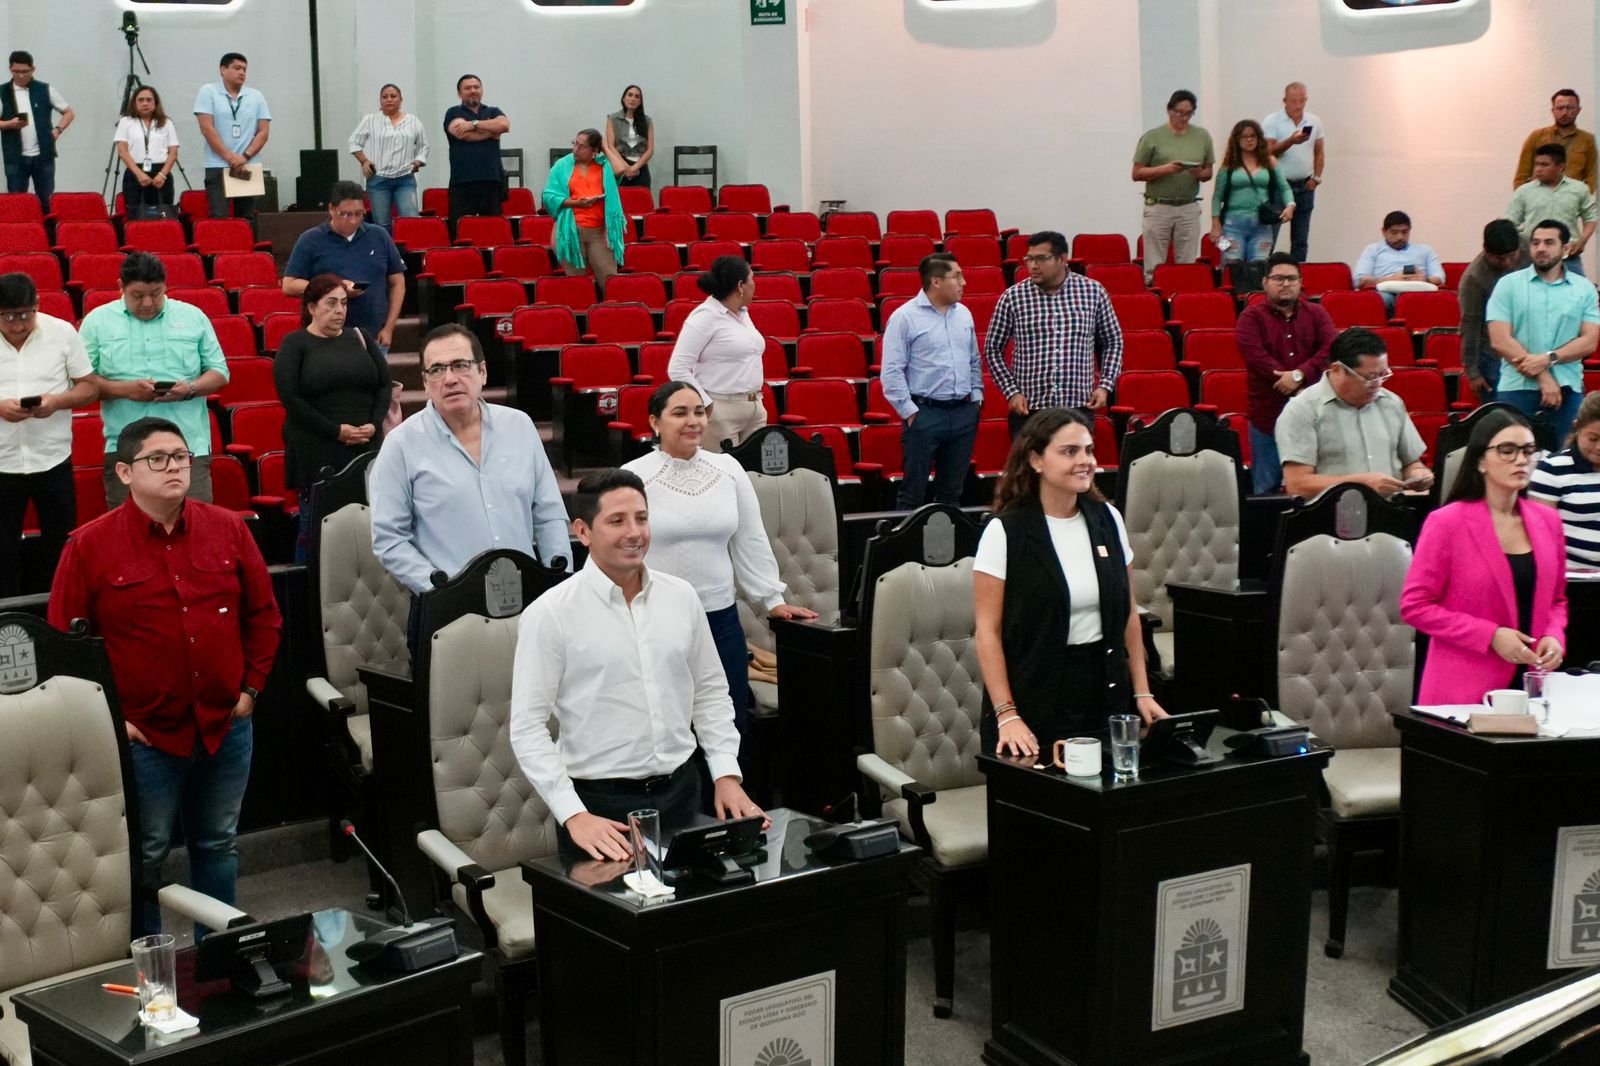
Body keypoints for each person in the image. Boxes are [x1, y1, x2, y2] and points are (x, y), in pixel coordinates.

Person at [49, 416, 281, 933]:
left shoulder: (228, 527)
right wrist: (111, 721)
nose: (174, 466)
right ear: (125, 472)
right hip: (143, 736)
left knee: (218, 845)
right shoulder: (88, 545)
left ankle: (219, 964)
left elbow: (264, 616)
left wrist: (251, 690)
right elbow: (64, 648)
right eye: (158, 459)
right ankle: (150, 980)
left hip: (226, 725)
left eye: (181, 456)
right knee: (146, 857)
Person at [508, 468, 766, 862]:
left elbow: (711, 694)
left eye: (642, 518)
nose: (635, 532)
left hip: (682, 794)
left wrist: (726, 775)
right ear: (583, 531)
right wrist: (573, 814)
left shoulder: (681, 597)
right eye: (617, 521)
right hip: (599, 809)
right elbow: (527, 728)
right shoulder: (550, 614)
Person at [972, 407, 1168, 760]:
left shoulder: (1108, 518)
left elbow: (1127, 614)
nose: (1086, 461)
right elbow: (988, 631)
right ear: (1035, 460)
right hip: (1034, 697)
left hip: (1104, 689)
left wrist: (1141, 692)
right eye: (1070, 452)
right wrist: (1006, 714)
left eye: (1089, 450)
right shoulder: (1005, 531)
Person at [622, 381, 817, 732]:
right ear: (654, 422)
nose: (693, 421)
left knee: (728, 722)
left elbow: (750, 540)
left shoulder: (728, 469)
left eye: (699, 412)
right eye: (680, 413)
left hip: (721, 620)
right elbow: (621, 553)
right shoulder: (634, 477)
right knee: (669, 725)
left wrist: (772, 599)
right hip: (655, 620)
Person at [369, 323, 570, 622]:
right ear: (424, 382)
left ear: (483, 372)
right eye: (436, 370)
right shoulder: (401, 445)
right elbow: (388, 539)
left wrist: (561, 587)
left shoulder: (520, 426)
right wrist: (441, 589)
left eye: (461, 365)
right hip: (449, 613)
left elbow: (549, 515)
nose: (449, 379)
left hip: (529, 604)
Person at [1400, 408, 1568, 704]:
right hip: (1463, 690)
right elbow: (1415, 606)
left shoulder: (1548, 521)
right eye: (1507, 450)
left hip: (1534, 687)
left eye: (1529, 451)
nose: (1521, 460)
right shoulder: (1447, 522)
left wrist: (1555, 636)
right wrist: (1490, 635)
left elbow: (1556, 600)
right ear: (1480, 461)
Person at [80, 252, 228, 507]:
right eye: (138, 296)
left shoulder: (193, 317)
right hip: (126, 448)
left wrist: (190, 388)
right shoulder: (97, 321)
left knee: (195, 530)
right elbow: (81, 382)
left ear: (165, 286)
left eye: (156, 293)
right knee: (129, 535)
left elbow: (219, 373)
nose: (148, 303)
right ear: (121, 287)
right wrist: (125, 390)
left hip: (187, 446)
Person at [273, 275, 389, 560]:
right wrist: (336, 431)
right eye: (331, 303)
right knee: (316, 530)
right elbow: (292, 399)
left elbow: (384, 384)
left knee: (371, 527)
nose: (340, 310)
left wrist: (373, 424)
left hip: (365, 445)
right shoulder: (295, 344)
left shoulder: (360, 337)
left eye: (344, 303)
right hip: (317, 449)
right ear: (311, 307)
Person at [0, 272, 96, 597]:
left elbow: (89, 387)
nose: (16, 325)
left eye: (25, 315)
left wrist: (56, 401)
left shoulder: (61, 332)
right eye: (7, 316)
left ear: (37, 305)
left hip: (53, 459)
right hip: (2, 463)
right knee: (3, 554)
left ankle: (61, 621)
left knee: (61, 548)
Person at [984, 231, 1123, 437]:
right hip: (1029, 410)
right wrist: (1011, 392)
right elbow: (992, 349)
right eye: (1029, 259)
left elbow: (1113, 341)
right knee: (1030, 468)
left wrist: (1105, 386)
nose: (1032, 265)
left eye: (1041, 259)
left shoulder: (1093, 292)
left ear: (1063, 260)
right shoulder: (1013, 297)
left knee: (1074, 467)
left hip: (1077, 407)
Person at [1275, 326, 1433, 500]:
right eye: (1370, 377)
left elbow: (1410, 462)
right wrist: (1361, 484)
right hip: (1329, 518)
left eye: (1383, 375)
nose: (1378, 384)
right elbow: (1297, 485)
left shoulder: (1391, 403)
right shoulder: (1303, 410)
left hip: (1390, 513)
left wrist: (1418, 473)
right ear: (1337, 370)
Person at [879, 252, 982, 507]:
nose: (963, 282)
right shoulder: (905, 317)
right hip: (925, 413)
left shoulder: (964, 314)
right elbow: (892, 371)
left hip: (962, 413)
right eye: (956, 276)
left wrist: (976, 400)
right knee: (913, 494)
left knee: (952, 493)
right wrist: (910, 412)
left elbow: (974, 360)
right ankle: (910, 547)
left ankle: (950, 547)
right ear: (936, 281)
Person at [1486, 218, 1599, 450]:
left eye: (1549, 242)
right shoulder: (1508, 285)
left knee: (1565, 464)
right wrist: (1543, 376)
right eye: (1535, 243)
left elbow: (1589, 341)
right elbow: (1499, 340)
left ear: (1565, 249)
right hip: (1517, 388)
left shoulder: (1584, 288)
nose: (1540, 248)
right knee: (1512, 462)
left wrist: (1548, 359)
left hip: (1567, 391)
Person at [1233, 253, 1336, 495]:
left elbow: (1330, 348)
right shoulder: (1251, 317)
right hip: (1268, 417)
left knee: (1315, 490)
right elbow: (1254, 355)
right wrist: (1284, 378)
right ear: (1265, 282)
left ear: (1300, 282)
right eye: (1278, 278)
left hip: (1315, 417)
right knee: (1265, 490)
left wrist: (1299, 375)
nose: (1285, 284)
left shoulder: (1317, 314)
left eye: (1291, 278)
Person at [281, 180, 407, 351]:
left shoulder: (379, 236)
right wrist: (335, 288)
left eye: (359, 213)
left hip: (373, 335)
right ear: (331, 209)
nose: (354, 220)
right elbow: (289, 285)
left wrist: (389, 328)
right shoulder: (311, 240)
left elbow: (398, 283)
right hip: (325, 337)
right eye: (346, 214)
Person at [666, 256, 767, 451]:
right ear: (740, 286)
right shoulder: (705, 317)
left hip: (755, 407)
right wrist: (706, 404)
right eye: (752, 279)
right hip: (721, 410)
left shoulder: (743, 313)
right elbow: (678, 368)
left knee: (752, 476)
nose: (755, 285)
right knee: (723, 475)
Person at [1131, 90, 1215, 284]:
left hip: (1188, 205)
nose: (1183, 117)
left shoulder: (1202, 136)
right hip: (1159, 205)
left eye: (1188, 113)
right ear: (1169, 110)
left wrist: (1199, 173)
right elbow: (1137, 173)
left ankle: (1181, 295)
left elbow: (1208, 172)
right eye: (1179, 112)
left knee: (1186, 262)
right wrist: (1166, 169)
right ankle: (1156, 297)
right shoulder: (1153, 137)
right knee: (1154, 263)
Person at [1458, 219, 1530, 399]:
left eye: (1512, 256)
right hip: (1493, 353)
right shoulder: (1474, 279)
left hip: (1532, 343)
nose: (1507, 263)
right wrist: (1472, 371)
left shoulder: (1532, 248)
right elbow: (1470, 324)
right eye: (1499, 258)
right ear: (1486, 251)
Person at [543, 128, 625, 285]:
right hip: (569, 232)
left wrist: (605, 148)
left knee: (610, 281)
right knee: (577, 283)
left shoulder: (604, 166)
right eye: (575, 143)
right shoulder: (562, 165)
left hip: (599, 234)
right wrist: (575, 203)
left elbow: (621, 169)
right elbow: (548, 196)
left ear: (594, 150)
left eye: (582, 146)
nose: (575, 149)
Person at [193, 53, 270, 221]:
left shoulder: (256, 96)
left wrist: (244, 156)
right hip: (218, 165)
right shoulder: (208, 91)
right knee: (219, 217)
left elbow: (263, 132)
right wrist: (230, 158)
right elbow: (207, 128)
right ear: (223, 70)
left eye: (244, 69)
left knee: (247, 218)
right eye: (237, 68)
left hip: (247, 165)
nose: (242, 72)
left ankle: (246, 247)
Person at [1208, 119, 1294, 267]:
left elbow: (1284, 187)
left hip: (1262, 224)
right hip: (1232, 224)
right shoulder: (1228, 165)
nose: (1249, 140)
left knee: (1260, 265)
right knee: (1232, 263)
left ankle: (1255, 290)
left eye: (1253, 136)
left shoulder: (1269, 161)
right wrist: (1215, 224)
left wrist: (1290, 205)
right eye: (1244, 136)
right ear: (1237, 140)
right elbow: (1217, 197)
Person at [1530, 392, 1600, 567]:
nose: (1599, 447)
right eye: (1593, 438)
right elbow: (1540, 534)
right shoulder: (1552, 469)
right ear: (1577, 428)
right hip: (1575, 577)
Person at [1505, 143, 1597, 276]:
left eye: (1544, 165)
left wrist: (1582, 240)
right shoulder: (1524, 192)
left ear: (1560, 167)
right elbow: (1511, 223)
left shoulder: (1579, 189)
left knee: (1578, 293)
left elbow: (1591, 218)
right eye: (1536, 164)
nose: (1538, 169)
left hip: (1568, 257)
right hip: (1532, 259)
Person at [347, 83, 429, 231]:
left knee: (411, 221)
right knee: (382, 225)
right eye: (385, 97)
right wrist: (364, 161)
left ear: (401, 100)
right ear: (380, 100)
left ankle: (407, 254)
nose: (389, 99)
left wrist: (417, 162)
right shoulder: (370, 120)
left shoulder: (413, 121)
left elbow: (424, 146)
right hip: (378, 179)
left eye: (393, 96)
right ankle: (385, 254)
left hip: (405, 179)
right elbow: (354, 142)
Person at [0, 51, 73, 213]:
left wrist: (58, 130)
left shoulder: (45, 89)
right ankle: (19, 235)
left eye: (24, 72)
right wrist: (9, 124)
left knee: (47, 200)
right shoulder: (2, 91)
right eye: (16, 71)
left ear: (33, 69)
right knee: (17, 201)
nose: (20, 76)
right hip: (15, 157)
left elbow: (69, 112)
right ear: (10, 69)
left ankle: (48, 235)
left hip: (43, 155)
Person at [1262, 81, 1325, 263]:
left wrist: (1317, 178)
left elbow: (1319, 151)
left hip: (1304, 184)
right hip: (1278, 185)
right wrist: (1291, 141)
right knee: (1270, 235)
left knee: (1301, 238)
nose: (1298, 106)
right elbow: (1268, 152)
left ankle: (1297, 275)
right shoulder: (1272, 121)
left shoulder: (1314, 121)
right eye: (1293, 101)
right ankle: (1267, 274)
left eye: (1301, 101)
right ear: (1285, 101)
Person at [443, 74, 508, 222]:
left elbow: (504, 125)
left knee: (492, 230)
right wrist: (492, 131)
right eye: (468, 88)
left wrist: (473, 125)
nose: (473, 90)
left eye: (476, 87)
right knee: (461, 230)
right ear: (459, 93)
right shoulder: (453, 112)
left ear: (482, 90)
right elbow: (462, 134)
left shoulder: (493, 111)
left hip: (491, 180)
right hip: (462, 182)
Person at [1354, 211, 1445, 309]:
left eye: (1405, 232)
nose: (1400, 237)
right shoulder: (1372, 250)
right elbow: (1359, 280)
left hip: (1418, 292)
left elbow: (1440, 278)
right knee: (1380, 300)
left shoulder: (1425, 250)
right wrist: (1390, 279)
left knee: (1437, 299)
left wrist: (1426, 279)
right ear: (1384, 232)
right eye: (1394, 232)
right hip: (1386, 292)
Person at [1515, 89, 1596, 193]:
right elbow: (1521, 175)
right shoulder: (1537, 136)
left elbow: (1591, 176)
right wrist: (1524, 200)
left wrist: (1581, 200)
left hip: (1572, 203)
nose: (1565, 113)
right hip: (1538, 201)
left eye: (1570, 108)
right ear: (1553, 110)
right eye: (1560, 108)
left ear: (1578, 110)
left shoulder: (1587, 140)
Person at [114, 85, 179, 214]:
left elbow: (173, 152)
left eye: (149, 100)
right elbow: (122, 151)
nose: (145, 103)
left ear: (155, 103)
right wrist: (139, 174)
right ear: (134, 103)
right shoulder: (126, 122)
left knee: (162, 214)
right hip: (135, 172)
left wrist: (162, 175)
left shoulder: (166, 122)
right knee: (136, 215)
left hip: (161, 174)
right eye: (141, 100)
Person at [604, 84, 654, 189]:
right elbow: (611, 146)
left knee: (641, 201)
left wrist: (635, 167)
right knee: (621, 201)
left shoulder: (647, 121)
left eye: (637, 96)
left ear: (640, 101)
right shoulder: (613, 119)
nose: (633, 99)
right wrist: (625, 167)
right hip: (619, 165)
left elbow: (650, 150)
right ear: (623, 98)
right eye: (630, 95)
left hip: (640, 166)